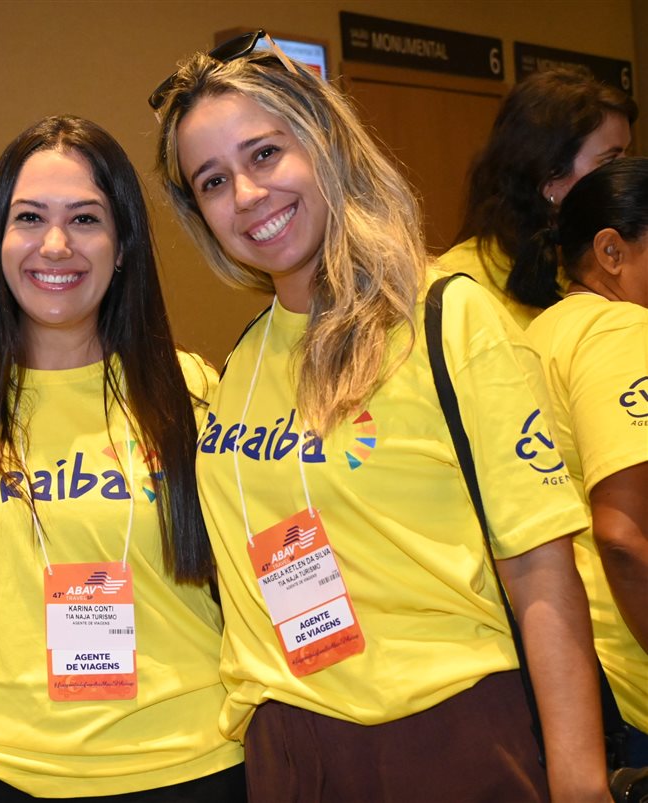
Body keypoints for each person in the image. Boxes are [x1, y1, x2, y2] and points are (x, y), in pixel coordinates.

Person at [151, 31, 609, 801]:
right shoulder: (242, 361)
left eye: (266, 154)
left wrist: (579, 778)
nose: (248, 195)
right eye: (213, 180)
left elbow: (538, 567)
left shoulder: (445, 317)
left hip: (444, 736)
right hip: (287, 746)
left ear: (325, 139)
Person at [0, 115, 244, 800]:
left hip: (186, 765)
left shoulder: (195, 393)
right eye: (29, 217)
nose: (56, 245)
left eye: (86, 218)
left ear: (122, 244)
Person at [524, 157, 648, 767]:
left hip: (577, 663)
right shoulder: (621, 331)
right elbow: (624, 535)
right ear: (611, 250)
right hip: (632, 672)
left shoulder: (542, 332)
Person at [440, 67, 637, 328]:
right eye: (610, 160)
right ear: (549, 180)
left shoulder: (605, 266)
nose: (624, 174)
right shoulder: (457, 287)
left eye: (626, 156)